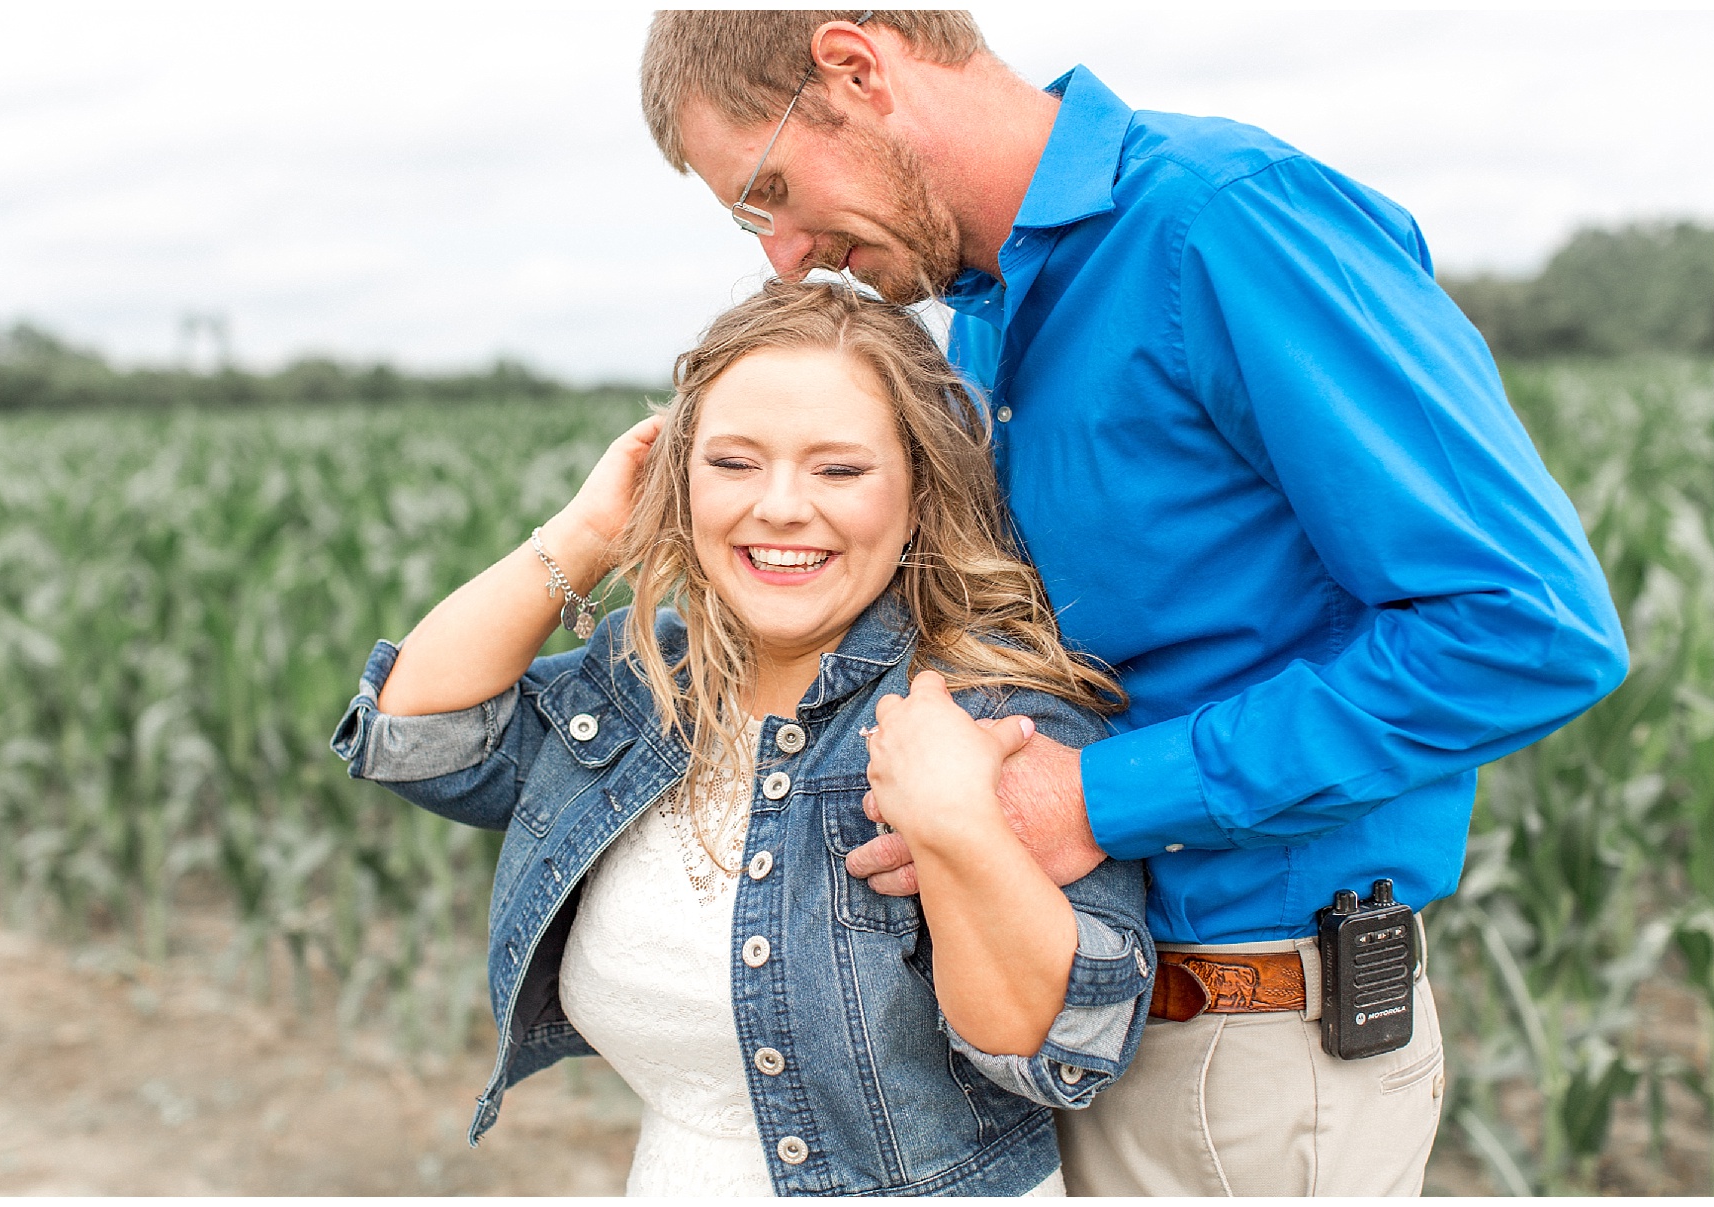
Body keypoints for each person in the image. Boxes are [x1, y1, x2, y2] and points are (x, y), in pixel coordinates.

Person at [641, 10, 1630, 1196]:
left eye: (771, 191)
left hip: (1239, 1044)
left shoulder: (1226, 223)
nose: (785, 256)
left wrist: (1094, 800)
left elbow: (1525, 628)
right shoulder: (988, 316)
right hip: (1062, 1035)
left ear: (855, 69)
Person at [330, 280, 1156, 1197]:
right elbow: (414, 735)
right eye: (733, 463)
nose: (782, 507)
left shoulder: (991, 713)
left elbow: (1062, 1051)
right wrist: (591, 532)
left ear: (921, 493)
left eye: (839, 470)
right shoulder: (647, 685)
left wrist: (958, 825)